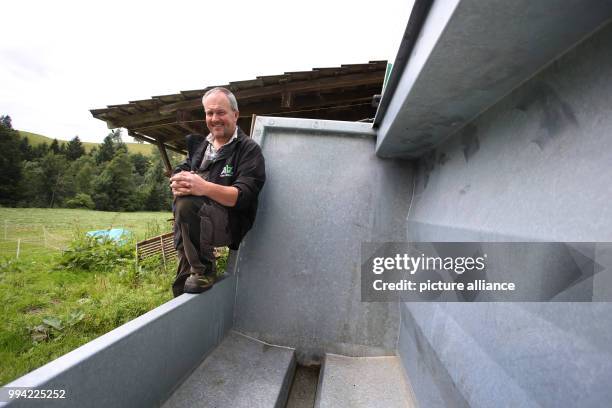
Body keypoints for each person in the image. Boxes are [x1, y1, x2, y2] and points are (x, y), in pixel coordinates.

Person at [169, 87, 266, 296]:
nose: (215, 118)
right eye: (209, 113)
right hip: (190, 226)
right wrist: (178, 182)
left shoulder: (249, 150)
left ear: (235, 114)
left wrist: (202, 186)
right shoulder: (201, 146)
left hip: (228, 222)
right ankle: (188, 288)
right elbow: (181, 170)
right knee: (183, 287)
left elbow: (243, 196)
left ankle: (205, 269)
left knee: (187, 204)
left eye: (221, 112)